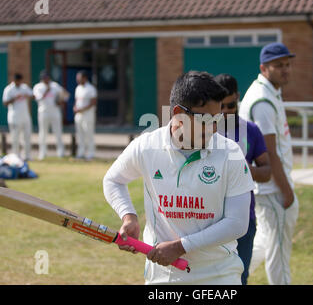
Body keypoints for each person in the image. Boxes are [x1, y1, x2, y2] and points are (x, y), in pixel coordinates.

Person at [103, 71, 255, 285]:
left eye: (217, 119)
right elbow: (113, 180)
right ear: (178, 114)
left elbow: (237, 223)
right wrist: (129, 217)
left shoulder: (230, 152)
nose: (213, 128)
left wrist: (180, 246)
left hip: (219, 275)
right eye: (204, 119)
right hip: (164, 276)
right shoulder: (147, 146)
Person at [239, 42, 299, 285]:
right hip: (271, 189)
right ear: (264, 68)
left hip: (265, 188)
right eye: (278, 66)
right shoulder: (263, 100)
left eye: (287, 64)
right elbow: (270, 152)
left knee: (265, 244)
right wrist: (286, 191)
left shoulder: (268, 91)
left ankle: (228, 278)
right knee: (279, 254)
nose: (286, 70)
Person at [214, 73, 271, 285]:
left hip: (244, 220)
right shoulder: (204, 131)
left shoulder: (251, 131)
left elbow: (267, 172)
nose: (226, 111)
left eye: (231, 105)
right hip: (209, 219)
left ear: (237, 97)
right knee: (210, 277)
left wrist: (246, 170)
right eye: (221, 106)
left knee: (239, 277)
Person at [33, 70, 67, 160]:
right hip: (43, 111)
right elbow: (38, 98)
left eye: (47, 77)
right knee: (43, 133)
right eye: (44, 78)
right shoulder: (38, 87)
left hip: (55, 111)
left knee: (58, 132)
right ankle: (42, 153)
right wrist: (47, 90)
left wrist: (60, 100)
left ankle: (60, 152)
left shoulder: (55, 85)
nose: (46, 79)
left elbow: (65, 95)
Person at [2, 73, 33, 161]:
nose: (19, 82)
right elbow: (5, 103)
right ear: (14, 80)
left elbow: (33, 96)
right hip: (14, 116)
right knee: (15, 137)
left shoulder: (24, 87)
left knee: (27, 136)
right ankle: (16, 156)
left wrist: (28, 95)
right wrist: (15, 98)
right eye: (17, 81)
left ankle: (27, 156)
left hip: (25, 115)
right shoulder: (9, 89)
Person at [74, 70, 97, 160]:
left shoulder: (91, 88)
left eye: (79, 78)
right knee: (80, 134)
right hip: (79, 115)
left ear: (85, 78)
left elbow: (93, 102)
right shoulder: (78, 88)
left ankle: (91, 153)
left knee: (88, 134)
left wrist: (82, 109)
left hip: (88, 115)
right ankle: (81, 153)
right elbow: (77, 101)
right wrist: (75, 108)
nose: (78, 80)